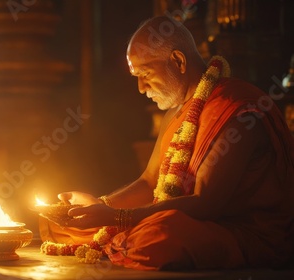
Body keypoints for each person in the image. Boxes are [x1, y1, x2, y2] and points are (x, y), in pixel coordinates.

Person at [39, 15, 294, 270]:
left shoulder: (236, 109)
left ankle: (126, 237)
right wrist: (100, 205)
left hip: (238, 233)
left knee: (159, 236)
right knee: (63, 226)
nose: (140, 87)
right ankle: (117, 234)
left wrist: (118, 218)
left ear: (178, 61)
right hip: (187, 220)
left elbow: (205, 204)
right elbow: (149, 181)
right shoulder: (175, 113)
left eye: (145, 73)